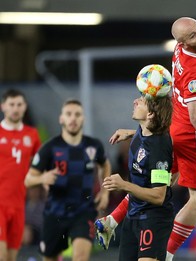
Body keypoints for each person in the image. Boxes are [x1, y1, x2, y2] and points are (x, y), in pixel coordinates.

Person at [95, 16, 196, 260]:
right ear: (183, 43)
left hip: (174, 127)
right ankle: (167, 252)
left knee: (163, 179)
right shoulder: (195, 72)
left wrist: (139, 131)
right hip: (191, 137)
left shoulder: (179, 50)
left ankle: (113, 219)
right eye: (193, 35)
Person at [24, 99, 111, 261]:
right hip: (55, 212)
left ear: (83, 118)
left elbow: (105, 165)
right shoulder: (49, 148)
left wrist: (105, 192)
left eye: (77, 114)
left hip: (84, 212)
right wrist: (43, 177)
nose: (73, 118)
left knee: (80, 256)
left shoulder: (93, 145)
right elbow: (29, 179)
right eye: (69, 114)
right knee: (49, 257)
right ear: (61, 119)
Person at [98, 93, 174, 260]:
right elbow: (149, 136)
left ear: (150, 114)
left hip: (153, 219)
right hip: (133, 216)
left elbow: (159, 196)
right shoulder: (142, 130)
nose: (135, 101)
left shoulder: (159, 148)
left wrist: (123, 185)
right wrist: (130, 133)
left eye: (141, 101)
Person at [0, 89, 41, 261]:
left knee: (11, 257)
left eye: (19, 104)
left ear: (24, 107)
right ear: (3, 106)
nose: (15, 109)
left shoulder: (31, 135)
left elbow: (41, 165)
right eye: (11, 104)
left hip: (18, 206)